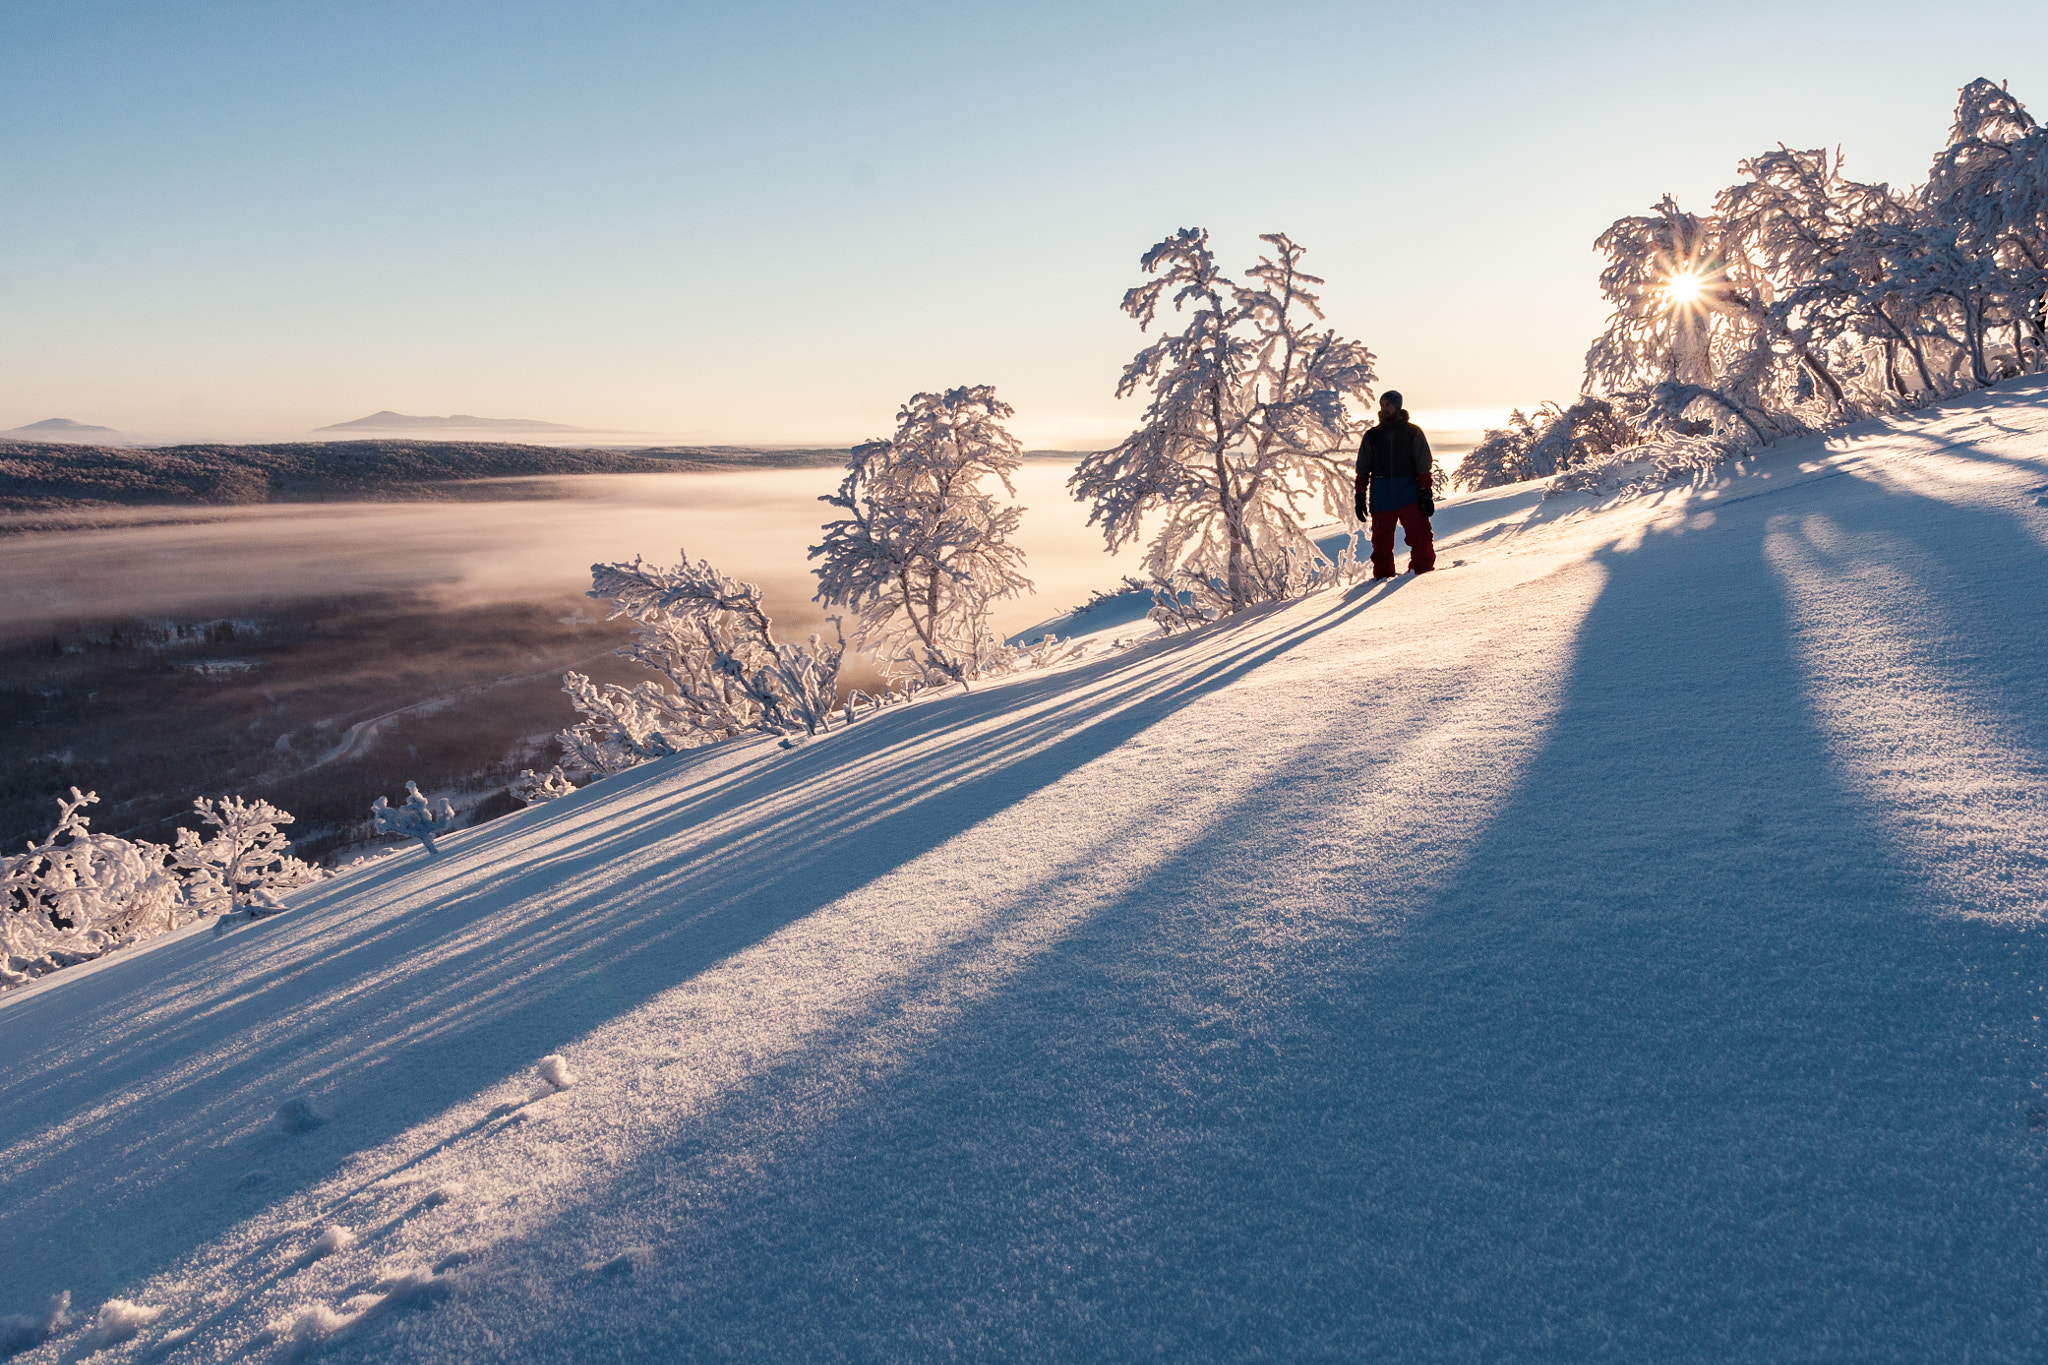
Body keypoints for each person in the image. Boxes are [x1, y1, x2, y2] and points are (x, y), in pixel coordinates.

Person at [1354, 390, 1436, 578]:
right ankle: (1382, 578)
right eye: (1382, 405)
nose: (1384, 409)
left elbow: (1424, 465)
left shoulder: (1412, 432)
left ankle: (1424, 577)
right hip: (1381, 499)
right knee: (1381, 546)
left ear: (1397, 407)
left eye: (1388, 405)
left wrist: (1425, 494)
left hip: (1410, 496)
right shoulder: (1372, 436)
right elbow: (1362, 469)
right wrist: (1360, 497)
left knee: (1421, 538)